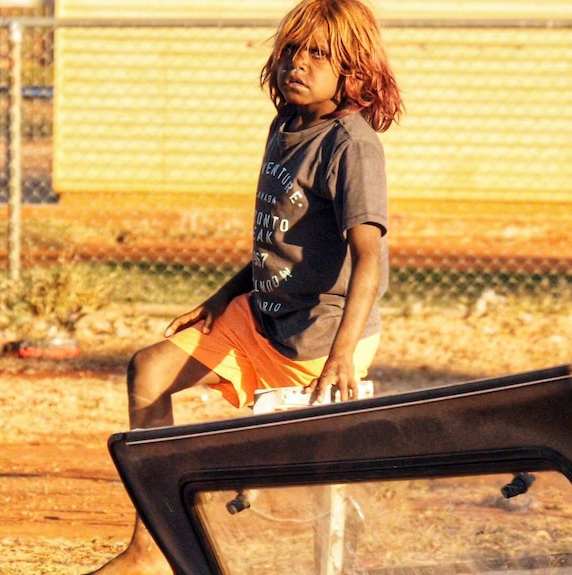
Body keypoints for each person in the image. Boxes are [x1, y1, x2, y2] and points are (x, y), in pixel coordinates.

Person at [84, 0, 402, 572]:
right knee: (149, 370)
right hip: (260, 314)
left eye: (317, 54)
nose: (296, 65)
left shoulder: (351, 146)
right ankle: (152, 550)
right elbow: (274, 239)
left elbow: (369, 262)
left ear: (352, 68)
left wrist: (342, 355)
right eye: (290, 52)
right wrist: (222, 297)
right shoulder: (285, 127)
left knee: (313, 476)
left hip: (321, 338)